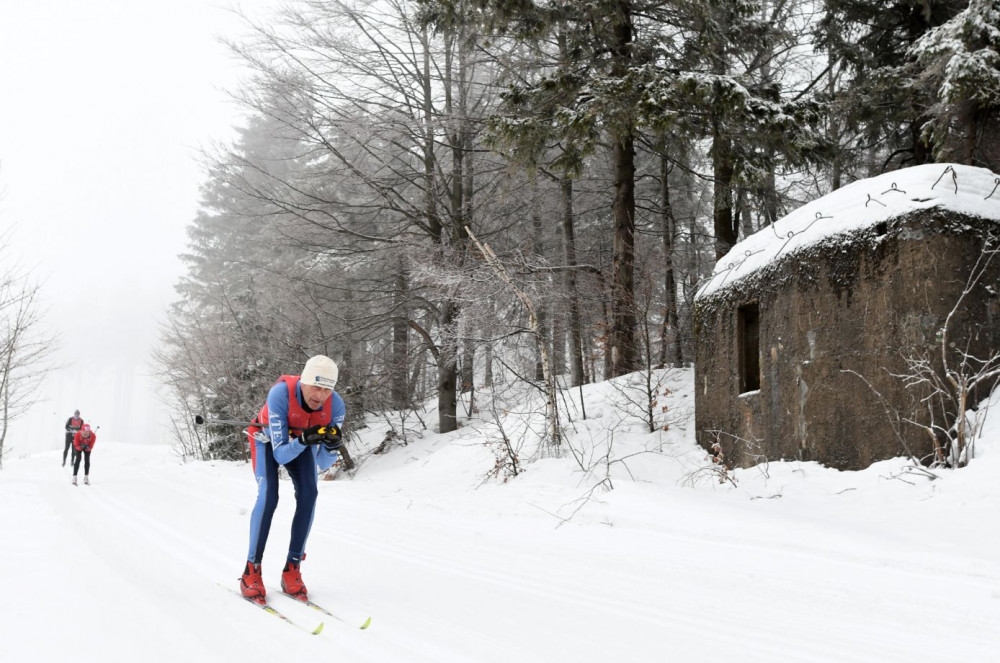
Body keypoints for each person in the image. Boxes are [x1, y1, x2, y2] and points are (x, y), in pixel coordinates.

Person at [240, 355, 346, 604]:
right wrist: (304, 440)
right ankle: (251, 571)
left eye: (327, 389)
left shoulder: (336, 406)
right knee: (269, 496)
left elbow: (323, 463)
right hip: (267, 440)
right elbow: (280, 454)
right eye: (316, 387)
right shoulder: (281, 394)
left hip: (300, 441)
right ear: (304, 382)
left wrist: (332, 446)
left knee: (310, 494)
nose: (320, 396)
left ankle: (292, 569)